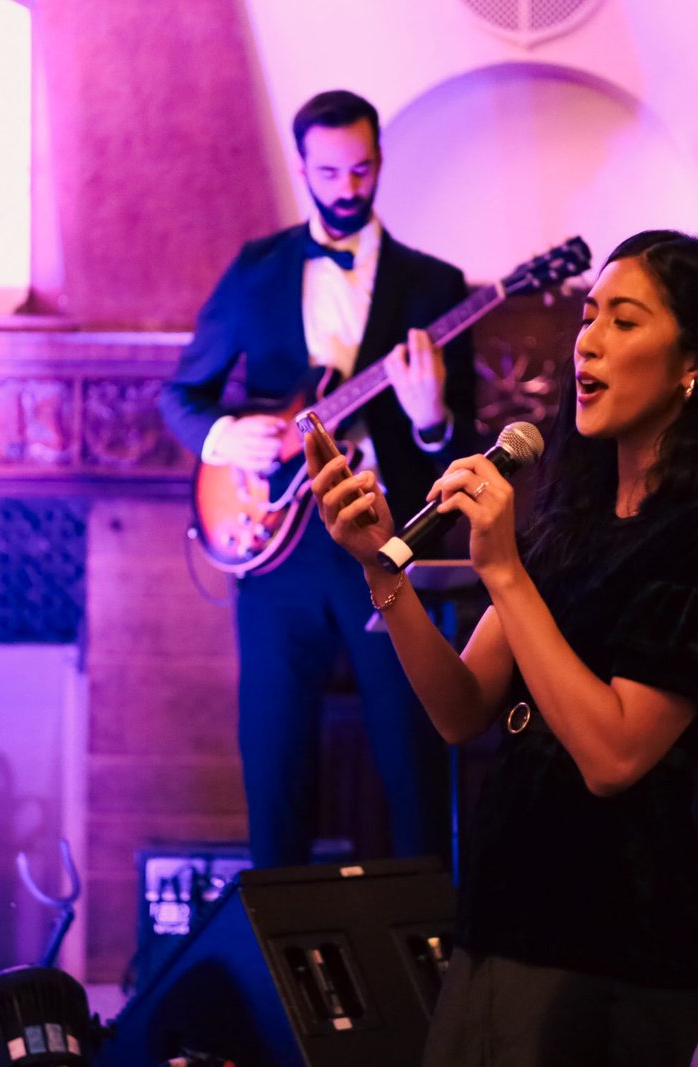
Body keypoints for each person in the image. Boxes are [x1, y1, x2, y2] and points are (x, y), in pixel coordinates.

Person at [310, 230, 698, 1065]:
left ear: (694, 362)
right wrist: (380, 567)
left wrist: (503, 569)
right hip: (505, 905)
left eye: (625, 320)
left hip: (609, 933)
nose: (588, 340)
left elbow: (613, 754)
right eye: (588, 315)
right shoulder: (575, 516)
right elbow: (462, 707)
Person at [158, 90, 475, 869]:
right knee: (275, 768)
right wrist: (228, 436)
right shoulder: (256, 269)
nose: (346, 187)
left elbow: (461, 449)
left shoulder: (436, 287)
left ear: (380, 163)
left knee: (414, 761)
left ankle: (431, 938)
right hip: (275, 549)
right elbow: (181, 395)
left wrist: (431, 419)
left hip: (390, 548)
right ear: (301, 168)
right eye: (329, 172)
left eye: (361, 169)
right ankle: (281, 946)